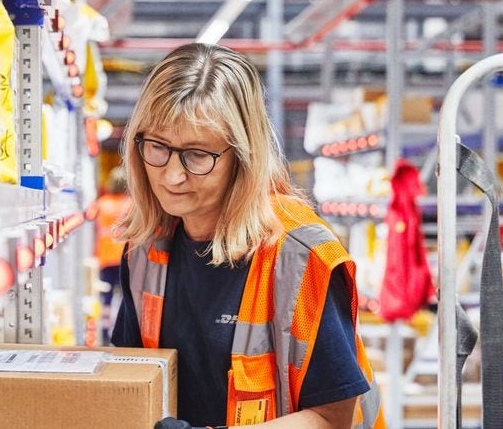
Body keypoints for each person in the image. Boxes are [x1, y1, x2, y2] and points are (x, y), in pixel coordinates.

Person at [111, 43, 385, 429]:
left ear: (242, 156)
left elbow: (333, 416)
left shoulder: (301, 258)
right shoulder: (144, 250)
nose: (172, 176)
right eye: (157, 147)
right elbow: (131, 377)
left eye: (197, 155)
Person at [95, 166, 133, 345]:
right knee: (126, 296)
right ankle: (122, 330)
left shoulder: (102, 204)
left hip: (105, 257)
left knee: (106, 296)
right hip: (126, 258)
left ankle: (103, 329)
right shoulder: (131, 204)